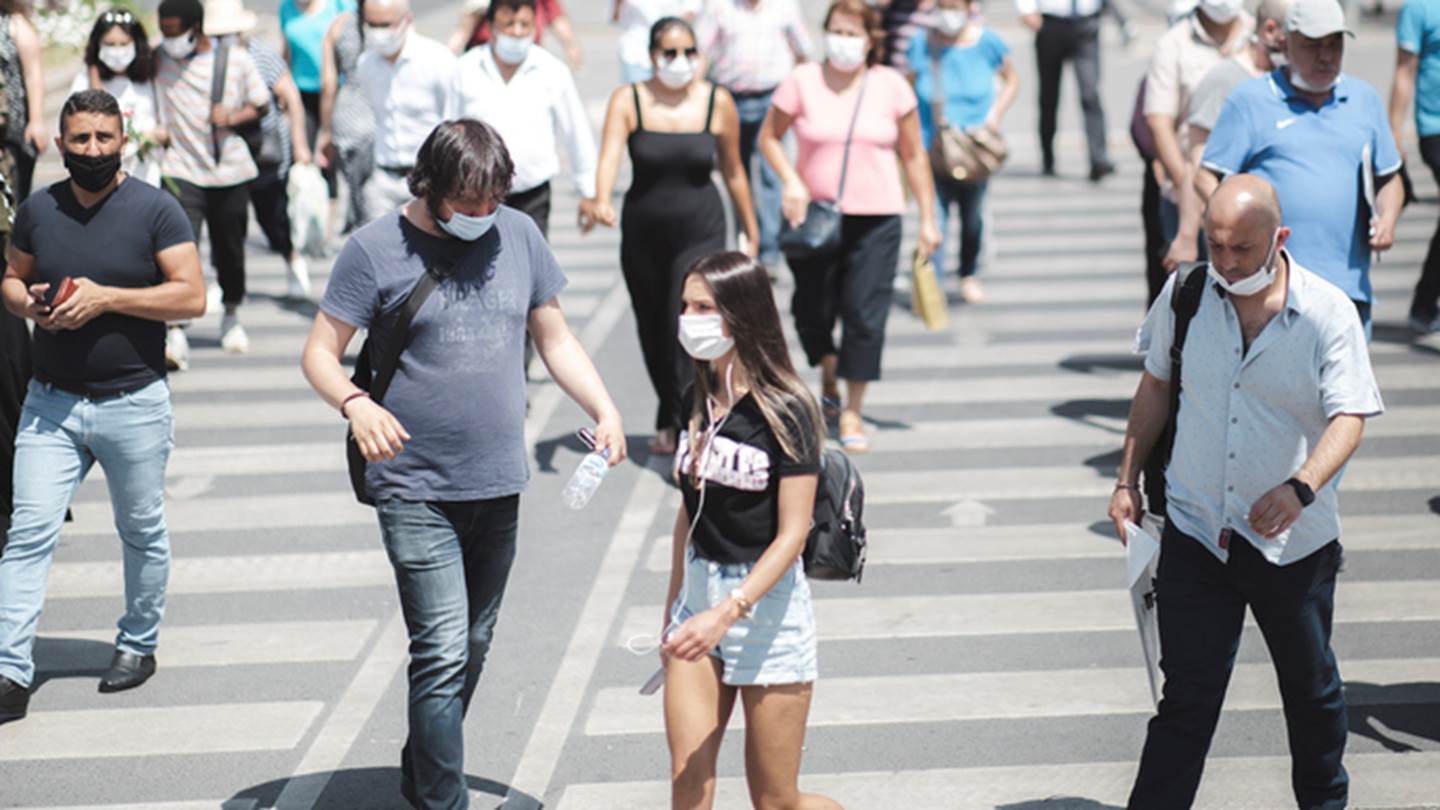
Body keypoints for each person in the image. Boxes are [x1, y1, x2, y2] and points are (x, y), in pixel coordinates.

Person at [301, 118, 625, 810]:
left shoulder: (521, 236)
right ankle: (442, 801)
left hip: (497, 479)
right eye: (466, 203)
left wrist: (604, 407)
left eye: (492, 201)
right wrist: (356, 406)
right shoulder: (374, 249)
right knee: (443, 647)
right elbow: (319, 354)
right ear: (431, 186)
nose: (482, 216)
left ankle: (424, 760)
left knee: (473, 643)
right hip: (413, 484)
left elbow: (555, 336)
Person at [1110, 174, 1382, 810]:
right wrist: (1126, 479)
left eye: (1242, 249)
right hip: (1197, 530)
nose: (1226, 263)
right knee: (1185, 701)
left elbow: (1351, 417)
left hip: (1291, 544)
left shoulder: (1326, 311)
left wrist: (1302, 487)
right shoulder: (1185, 293)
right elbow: (1154, 385)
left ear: (1279, 239)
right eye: (1216, 245)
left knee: (1311, 694)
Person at [0, 89, 205, 724]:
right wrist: (29, 304)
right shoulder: (38, 210)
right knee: (27, 533)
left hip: (134, 401)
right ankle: (9, 667)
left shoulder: (156, 210)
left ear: (124, 140)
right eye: (80, 140)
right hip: (51, 404)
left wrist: (108, 298)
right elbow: (9, 279)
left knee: (140, 529)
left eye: (103, 139)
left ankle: (138, 644)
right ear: (60, 145)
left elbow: (191, 297)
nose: (92, 150)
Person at [661, 251, 840, 810]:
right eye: (686, 305)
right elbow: (690, 513)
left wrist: (727, 611)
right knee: (689, 784)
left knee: (777, 801)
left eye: (704, 307)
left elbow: (793, 534)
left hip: (766, 611)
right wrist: (676, 608)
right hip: (698, 600)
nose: (690, 318)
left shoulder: (789, 408)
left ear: (741, 315)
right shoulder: (695, 398)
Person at [759, 0, 940, 453]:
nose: (843, 41)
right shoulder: (802, 81)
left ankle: (853, 408)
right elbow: (768, 138)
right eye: (836, 31)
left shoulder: (891, 86)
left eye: (852, 33)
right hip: (814, 216)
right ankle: (829, 370)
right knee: (810, 309)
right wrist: (791, 180)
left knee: (865, 313)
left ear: (870, 40)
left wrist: (929, 219)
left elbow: (914, 154)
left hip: (877, 217)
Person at [581, 16, 759, 456]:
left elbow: (734, 172)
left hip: (702, 229)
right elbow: (608, 158)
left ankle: (694, 425)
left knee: (687, 322)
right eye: (670, 53)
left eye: (689, 53)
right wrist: (600, 197)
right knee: (653, 329)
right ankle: (670, 407)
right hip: (644, 232)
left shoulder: (717, 101)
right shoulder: (630, 100)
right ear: (652, 57)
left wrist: (752, 230)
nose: (680, 62)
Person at [1198, 0, 1403, 334]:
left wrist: (1389, 218)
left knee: (1344, 388)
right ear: (1285, 43)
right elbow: (1207, 177)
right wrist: (1235, 230)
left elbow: (1390, 179)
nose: (1326, 56)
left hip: (1346, 289)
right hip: (1270, 291)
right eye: (1312, 45)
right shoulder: (1250, 100)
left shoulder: (1364, 99)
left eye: (1334, 44)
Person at [154, 0, 270, 354]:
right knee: (177, 248)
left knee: (230, 249)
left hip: (229, 171)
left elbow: (262, 103)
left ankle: (231, 313)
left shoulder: (234, 59)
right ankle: (176, 326)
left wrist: (234, 117)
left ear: (196, 28)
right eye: (164, 31)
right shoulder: (158, 60)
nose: (169, 39)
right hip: (180, 169)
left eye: (175, 31)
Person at [1163, 0, 1291, 302]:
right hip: (1244, 247)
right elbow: (1197, 165)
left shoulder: (1291, 83)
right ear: (1271, 31)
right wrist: (1185, 234)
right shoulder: (1225, 81)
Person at [452, 0, 596, 238]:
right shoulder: (465, 70)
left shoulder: (551, 71)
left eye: (524, 25)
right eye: (508, 24)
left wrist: (588, 190)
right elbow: (449, 130)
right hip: (475, 196)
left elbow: (575, 130)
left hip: (532, 195)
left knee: (530, 268)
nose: (517, 32)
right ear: (491, 25)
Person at [908, 0, 1019, 303]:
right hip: (933, 146)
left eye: (954, 5)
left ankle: (968, 272)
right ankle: (935, 285)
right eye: (943, 5)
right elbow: (907, 88)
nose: (948, 13)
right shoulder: (921, 44)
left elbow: (1012, 79)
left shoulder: (987, 41)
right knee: (935, 218)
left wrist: (995, 115)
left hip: (973, 148)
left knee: (973, 218)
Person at [696, 0, 811, 267]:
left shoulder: (784, 6)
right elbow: (702, 52)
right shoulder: (720, 7)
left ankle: (770, 249)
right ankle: (747, 239)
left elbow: (802, 49)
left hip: (772, 97)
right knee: (737, 173)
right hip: (731, 98)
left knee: (772, 176)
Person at [1143, 0, 1251, 268]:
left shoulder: (1259, 35)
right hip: (1189, 198)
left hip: (1250, 201)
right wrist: (1187, 194)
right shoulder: (1173, 45)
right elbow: (1159, 122)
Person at [354, 0, 458, 222]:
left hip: (427, 180)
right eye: (371, 24)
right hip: (383, 177)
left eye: (385, 25)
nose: (378, 32)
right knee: (377, 251)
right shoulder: (366, 65)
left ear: (407, 21)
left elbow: (454, 119)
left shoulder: (437, 61)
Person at [237, 22, 315, 300]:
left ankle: (293, 261)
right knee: (229, 220)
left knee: (272, 215)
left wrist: (300, 145)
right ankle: (229, 283)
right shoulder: (205, 57)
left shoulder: (261, 55)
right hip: (224, 151)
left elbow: (291, 97)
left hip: (264, 150)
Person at [1016, 0, 1115, 180]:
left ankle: (1098, 158)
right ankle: (1048, 156)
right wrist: (1026, 9)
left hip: (1086, 22)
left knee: (1090, 93)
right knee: (1049, 97)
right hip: (1051, 23)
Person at [1390, 0, 1440, 334]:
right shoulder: (1418, 9)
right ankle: (1423, 303)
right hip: (1435, 129)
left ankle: (1424, 302)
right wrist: (1394, 135)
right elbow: (1404, 72)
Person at [72, 8, 165, 189]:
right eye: (110, 44)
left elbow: (164, 124)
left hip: (146, 177)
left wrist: (155, 136)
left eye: (124, 44)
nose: (117, 51)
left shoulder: (150, 79)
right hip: (102, 181)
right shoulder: (84, 81)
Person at [280, 0, 353, 211]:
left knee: (329, 162)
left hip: (336, 92)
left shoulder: (340, 5)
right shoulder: (286, 7)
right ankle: (305, 222)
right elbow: (287, 49)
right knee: (302, 159)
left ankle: (329, 228)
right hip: (302, 92)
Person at [316, 6, 375, 233]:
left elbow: (328, 85)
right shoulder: (392, 20)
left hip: (348, 117)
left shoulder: (338, 26)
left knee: (354, 191)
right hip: (378, 115)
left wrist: (325, 130)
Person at [450, 0, 583, 70]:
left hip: (527, 56)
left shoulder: (549, 69)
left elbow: (555, 15)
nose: (517, 30)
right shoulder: (469, 66)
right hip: (490, 57)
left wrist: (570, 44)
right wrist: (450, 52)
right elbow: (466, 26)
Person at [0, 0, 45, 201]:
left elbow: (33, 75)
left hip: (12, 130)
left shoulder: (15, 24)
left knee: (14, 196)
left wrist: (36, 121)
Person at [614, 0, 702, 83]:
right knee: (636, 95)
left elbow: (691, 10)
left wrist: (668, 31)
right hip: (636, 51)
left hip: (671, 54)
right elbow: (616, 17)